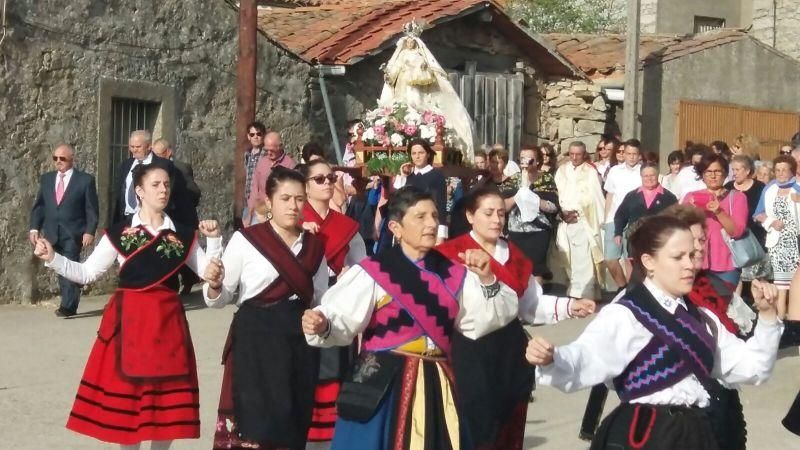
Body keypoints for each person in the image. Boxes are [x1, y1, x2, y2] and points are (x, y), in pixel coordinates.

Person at [526, 215, 782, 450]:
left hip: (697, 434)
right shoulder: (627, 314)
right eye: (677, 257)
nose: (690, 265)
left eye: (692, 255)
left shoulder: (701, 319)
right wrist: (552, 358)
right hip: (646, 435)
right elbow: (585, 357)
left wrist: (768, 317)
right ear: (648, 261)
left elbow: (754, 368)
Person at [302, 186, 524, 449]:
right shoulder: (375, 271)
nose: (431, 223)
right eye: (420, 217)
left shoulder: (454, 273)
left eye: (434, 216)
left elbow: (490, 318)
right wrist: (323, 323)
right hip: (382, 386)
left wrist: (487, 278)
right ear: (395, 228)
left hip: (437, 385)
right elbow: (340, 315)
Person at [33, 163, 222, 449]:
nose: (163, 189)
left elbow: (211, 274)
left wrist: (216, 240)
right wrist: (52, 258)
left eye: (166, 185)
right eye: (156, 184)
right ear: (139, 191)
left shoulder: (183, 235)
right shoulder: (119, 233)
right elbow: (86, 274)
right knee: (127, 408)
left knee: (165, 405)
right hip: (128, 322)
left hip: (167, 323)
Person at [436, 186, 595, 450]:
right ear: (470, 216)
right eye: (488, 213)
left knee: (508, 423)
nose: (497, 219)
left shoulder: (516, 256)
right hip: (466, 351)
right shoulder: (450, 255)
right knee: (471, 424)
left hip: (509, 350)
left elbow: (530, 305)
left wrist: (570, 306)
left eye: (501, 213)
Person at [204, 167, 329, 450]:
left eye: (299, 199)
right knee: (252, 428)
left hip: (298, 347)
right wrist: (213, 285)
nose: (293, 206)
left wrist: (322, 319)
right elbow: (222, 296)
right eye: (285, 198)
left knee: (292, 424)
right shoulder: (246, 240)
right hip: (254, 345)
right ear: (269, 202)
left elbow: (322, 299)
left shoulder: (314, 248)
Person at [297, 160, 368, 444]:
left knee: (334, 367)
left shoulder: (346, 226)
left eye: (330, 178)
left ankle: (330, 435)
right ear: (305, 186)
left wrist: (351, 276)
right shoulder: (293, 219)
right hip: (300, 305)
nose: (327, 183)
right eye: (319, 179)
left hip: (335, 306)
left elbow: (363, 266)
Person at [379, 20, 475, 158]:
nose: (410, 44)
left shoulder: (419, 55)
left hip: (416, 84)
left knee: (416, 100)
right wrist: (390, 74)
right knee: (400, 102)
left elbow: (424, 70)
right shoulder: (401, 55)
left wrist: (421, 68)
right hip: (402, 82)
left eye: (412, 42)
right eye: (408, 42)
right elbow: (395, 68)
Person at [29, 144, 99, 317]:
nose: (58, 162)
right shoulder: (47, 179)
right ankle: (69, 299)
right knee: (59, 268)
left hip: (73, 232)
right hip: (52, 232)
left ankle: (68, 306)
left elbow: (91, 209)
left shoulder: (85, 180)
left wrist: (89, 231)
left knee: (70, 265)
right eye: (55, 158)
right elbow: (40, 206)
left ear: (72, 159)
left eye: (62, 158)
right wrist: (34, 228)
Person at [682, 153, 748, 286]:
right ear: (702, 174)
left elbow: (737, 231)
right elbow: (680, 228)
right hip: (696, 261)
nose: (713, 176)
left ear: (725, 174)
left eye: (717, 171)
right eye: (708, 172)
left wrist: (719, 212)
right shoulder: (691, 197)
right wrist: (691, 212)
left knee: (724, 305)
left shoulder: (737, 197)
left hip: (726, 264)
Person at [554, 141, 606, 300]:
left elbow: (596, 198)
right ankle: (574, 288)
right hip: (565, 221)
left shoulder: (590, 172)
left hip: (583, 221)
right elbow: (557, 194)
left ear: (584, 154)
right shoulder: (561, 171)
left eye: (578, 154)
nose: (575, 157)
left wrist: (580, 212)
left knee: (584, 258)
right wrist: (561, 213)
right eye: (572, 154)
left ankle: (584, 293)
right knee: (568, 257)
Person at [152, 138, 202, 294]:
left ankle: (188, 282)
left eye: (159, 154)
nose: (156, 158)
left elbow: (194, 191)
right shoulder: (152, 169)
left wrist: (183, 206)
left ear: (168, 152)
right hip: (164, 217)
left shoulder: (181, 168)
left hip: (181, 217)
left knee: (184, 252)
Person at [754, 155, 800, 318]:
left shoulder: (798, 187)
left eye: (784, 170)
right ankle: (781, 320)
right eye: (778, 170)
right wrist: (771, 222)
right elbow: (758, 214)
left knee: (797, 284)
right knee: (781, 284)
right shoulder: (770, 189)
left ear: (792, 171)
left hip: (796, 241)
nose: (780, 174)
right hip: (778, 242)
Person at [112, 130, 191, 225]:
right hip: (126, 219)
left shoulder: (165, 165)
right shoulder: (125, 165)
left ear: (149, 146)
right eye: (131, 147)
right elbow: (118, 192)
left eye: (138, 147)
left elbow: (178, 196)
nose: (134, 150)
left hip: (153, 220)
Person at [508, 146, 560, 284]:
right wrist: (518, 196)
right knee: (516, 268)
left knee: (535, 268)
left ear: (537, 161)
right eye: (522, 158)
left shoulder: (545, 179)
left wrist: (534, 199)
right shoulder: (513, 180)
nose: (525, 161)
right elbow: (503, 204)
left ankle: (537, 301)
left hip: (538, 231)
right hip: (516, 230)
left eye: (529, 158)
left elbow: (553, 206)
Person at [613, 162, 678, 257]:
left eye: (652, 175)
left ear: (658, 175)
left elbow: (676, 220)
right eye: (645, 176)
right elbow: (620, 215)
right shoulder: (632, 196)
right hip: (635, 241)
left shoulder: (669, 197)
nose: (649, 178)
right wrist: (618, 232)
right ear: (641, 177)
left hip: (659, 242)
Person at [603, 139, 643, 290]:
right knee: (610, 258)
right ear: (623, 153)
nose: (631, 157)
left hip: (635, 220)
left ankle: (631, 291)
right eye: (628, 153)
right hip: (614, 218)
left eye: (635, 154)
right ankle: (622, 287)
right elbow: (610, 195)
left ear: (639, 155)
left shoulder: (643, 172)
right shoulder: (615, 171)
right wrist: (606, 218)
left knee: (630, 259)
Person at [725, 155, 769, 292]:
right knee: (737, 274)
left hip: (756, 236)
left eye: (738, 169)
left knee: (758, 275)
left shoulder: (760, 187)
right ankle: (737, 305)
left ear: (748, 170)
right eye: (733, 170)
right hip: (734, 237)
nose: (734, 173)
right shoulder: (727, 187)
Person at [394, 138, 448, 244]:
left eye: (421, 153)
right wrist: (402, 177)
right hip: (410, 229)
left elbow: (441, 205)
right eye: (414, 153)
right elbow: (399, 202)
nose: (417, 156)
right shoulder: (408, 176)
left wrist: (441, 235)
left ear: (428, 154)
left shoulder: (436, 176)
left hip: (428, 228)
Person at [247, 131, 297, 225]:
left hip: (279, 214)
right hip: (260, 213)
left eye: (272, 150)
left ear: (280, 146)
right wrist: (249, 214)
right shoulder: (262, 163)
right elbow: (254, 189)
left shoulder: (289, 165)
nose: (269, 153)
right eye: (266, 150)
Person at [243, 121, 268, 222]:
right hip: (248, 201)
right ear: (248, 137)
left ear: (263, 135)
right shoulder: (247, 155)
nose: (255, 137)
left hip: (262, 202)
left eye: (259, 134)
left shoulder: (267, 154)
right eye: (252, 134)